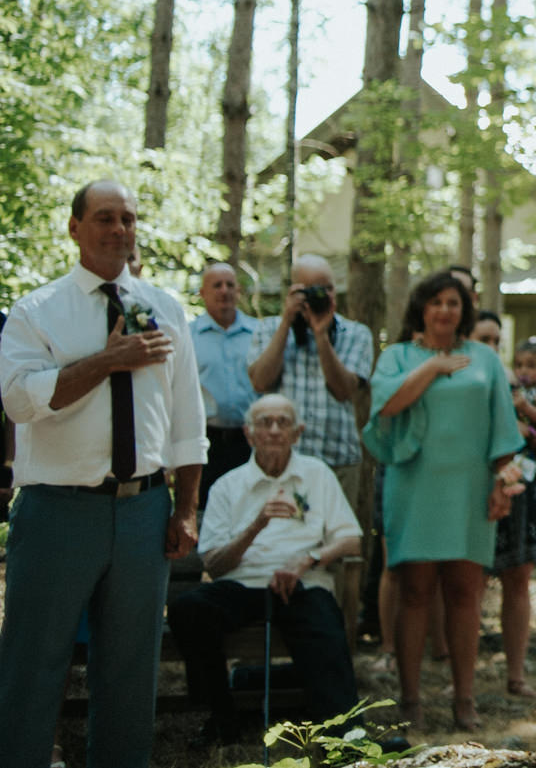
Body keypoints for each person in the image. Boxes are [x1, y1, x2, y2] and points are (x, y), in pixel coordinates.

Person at [0, 180, 206, 768]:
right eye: (104, 218)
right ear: (74, 228)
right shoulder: (37, 311)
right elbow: (20, 402)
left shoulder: (166, 309)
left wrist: (185, 508)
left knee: (130, 670)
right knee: (33, 664)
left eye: (128, 219)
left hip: (144, 511)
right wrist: (109, 360)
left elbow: (187, 420)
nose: (119, 229)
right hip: (57, 510)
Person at [367, 270, 525, 733]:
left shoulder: (483, 359)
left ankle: (464, 699)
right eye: (435, 302)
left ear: (465, 310)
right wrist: (433, 366)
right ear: (421, 308)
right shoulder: (397, 356)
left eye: (453, 303)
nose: (444, 310)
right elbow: (388, 406)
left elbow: (503, 429)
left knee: (464, 593)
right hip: (414, 486)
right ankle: (411, 699)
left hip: (470, 488)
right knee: (414, 591)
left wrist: (502, 483)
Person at [167, 394, 365, 748]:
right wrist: (256, 526)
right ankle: (222, 717)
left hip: (303, 581)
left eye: (283, 422)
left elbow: (351, 540)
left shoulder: (317, 475)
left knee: (322, 620)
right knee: (189, 610)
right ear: (249, 434)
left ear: (297, 432)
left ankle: (344, 738)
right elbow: (213, 563)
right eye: (265, 422)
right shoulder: (228, 485)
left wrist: (308, 560)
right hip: (243, 584)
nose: (274, 430)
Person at [248, 255, 375, 529]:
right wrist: (286, 324)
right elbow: (260, 381)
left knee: (337, 545)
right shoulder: (269, 328)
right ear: (293, 291)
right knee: (280, 543)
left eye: (326, 288)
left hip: (337, 459)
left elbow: (343, 390)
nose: (321, 296)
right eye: (310, 290)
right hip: (279, 463)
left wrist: (321, 335)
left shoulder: (356, 334)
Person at [495, 336, 536, 696]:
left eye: (531, 365)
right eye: (519, 364)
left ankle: (515, 676)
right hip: (483, 481)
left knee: (519, 577)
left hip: (523, 485)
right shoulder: (503, 382)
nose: (523, 371)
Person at [192, 262, 258, 502]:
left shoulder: (258, 333)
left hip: (251, 442)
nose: (224, 290)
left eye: (230, 285)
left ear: (238, 291)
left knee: (249, 508)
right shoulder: (188, 336)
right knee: (206, 510)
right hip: (206, 443)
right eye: (216, 285)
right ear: (202, 293)